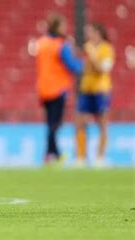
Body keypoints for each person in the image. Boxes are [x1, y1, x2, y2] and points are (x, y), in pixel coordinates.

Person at [35, 13, 83, 164]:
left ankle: (53, 154)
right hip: (58, 89)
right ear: (57, 26)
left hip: (44, 88)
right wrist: (84, 64)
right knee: (54, 124)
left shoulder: (41, 43)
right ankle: (51, 154)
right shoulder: (61, 45)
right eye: (63, 25)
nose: (65, 28)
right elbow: (72, 66)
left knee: (50, 123)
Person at [75, 23, 115, 168]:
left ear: (97, 32)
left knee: (102, 123)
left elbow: (103, 69)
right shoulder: (87, 47)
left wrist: (91, 56)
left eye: (90, 32)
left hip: (101, 90)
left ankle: (100, 158)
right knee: (79, 122)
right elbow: (79, 66)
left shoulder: (106, 48)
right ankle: (80, 157)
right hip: (86, 89)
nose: (87, 35)